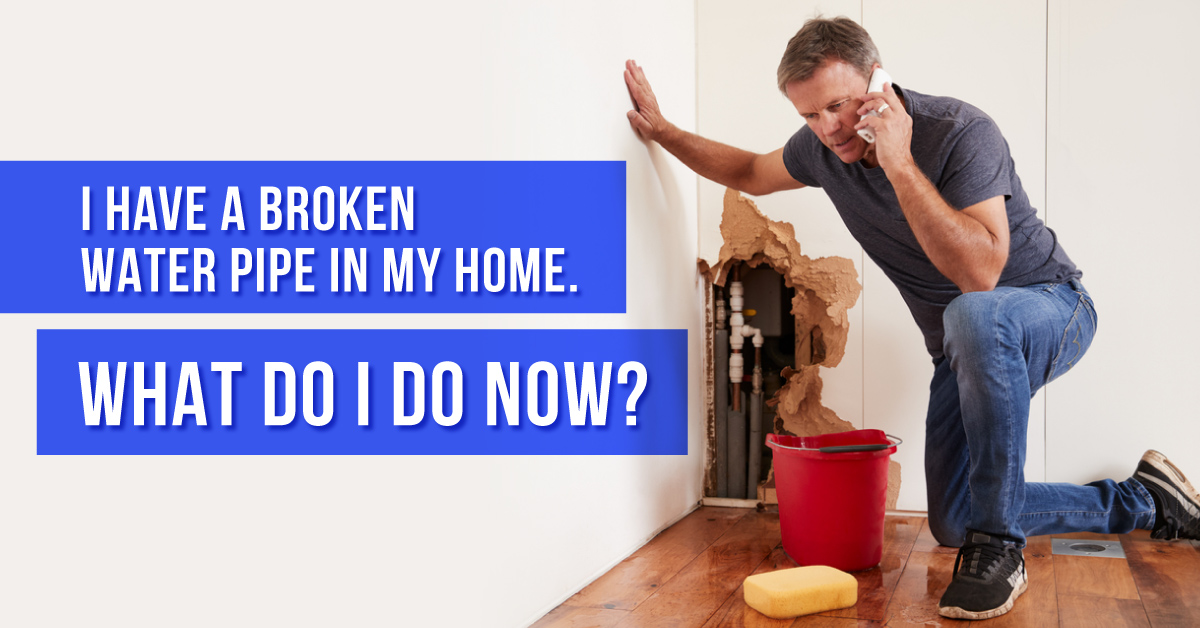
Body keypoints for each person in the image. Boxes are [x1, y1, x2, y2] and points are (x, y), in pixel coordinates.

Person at [625, 16, 1200, 621]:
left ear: (878, 80)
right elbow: (748, 173)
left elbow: (980, 273)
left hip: (1051, 306)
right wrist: (662, 131)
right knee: (953, 518)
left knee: (975, 313)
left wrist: (898, 163)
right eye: (809, 116)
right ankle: (1144, 503)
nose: (827, 130)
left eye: (839, 107)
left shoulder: (961, 132)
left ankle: (1000, 548)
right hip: (962, 341)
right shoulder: (824, 150)